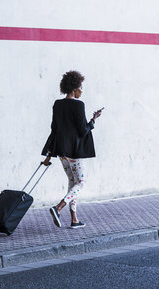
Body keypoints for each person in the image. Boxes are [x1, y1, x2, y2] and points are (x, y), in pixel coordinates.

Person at [42, 70, 103, 229]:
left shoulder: (57, 104)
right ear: (74, 88)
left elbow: (54, 129)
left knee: (72, 182)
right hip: (75, 152)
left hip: (62, 152)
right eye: (81, 87)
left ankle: (74, 219)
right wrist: (93, 121)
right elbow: (83, 130)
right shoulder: (78, 105)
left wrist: (49, 155)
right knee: (81, 183)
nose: (82, 91)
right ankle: (58, 208)